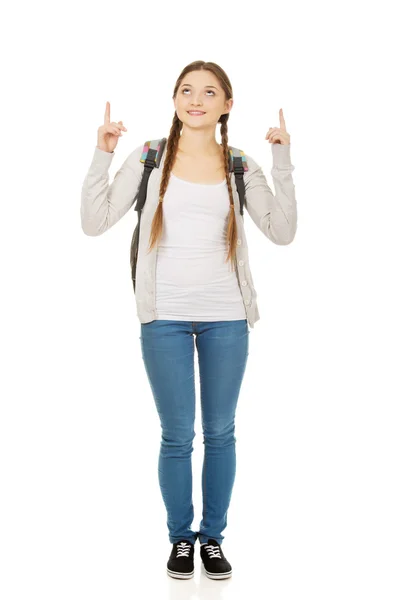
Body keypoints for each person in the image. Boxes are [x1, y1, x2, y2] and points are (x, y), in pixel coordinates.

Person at [81, 60, 296, 580]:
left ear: (227, 104)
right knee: (177, 434)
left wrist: (282, 157)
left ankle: (213, 537)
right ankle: (181, 537)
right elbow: (94, 222)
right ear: (174, 100)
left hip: (226, 317)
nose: (194, 99)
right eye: (185, 90)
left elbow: (283, 230)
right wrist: (103, 153)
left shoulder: (240, 164)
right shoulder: (151, 156)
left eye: (208, 92)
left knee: (220, 431)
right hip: (165, 318)